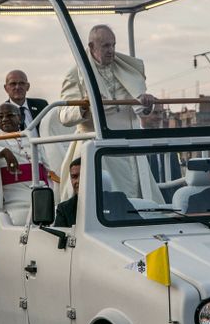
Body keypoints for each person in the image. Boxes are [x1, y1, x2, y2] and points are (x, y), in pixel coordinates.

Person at [58, 24, 161, 202]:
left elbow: (139, 110)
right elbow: (64, 115)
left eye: (113, 45)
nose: (111, 50)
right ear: (91, 47)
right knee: (105, 197)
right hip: (98, 144)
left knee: (140, 197)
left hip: (129, 145)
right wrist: (83, 106)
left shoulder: (125, 70)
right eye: (106, 46)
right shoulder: (75, 74)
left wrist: (146, 104)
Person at [0, 70, 48, 136]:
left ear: (28, 86)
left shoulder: (42, 106)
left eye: (21, 83)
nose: (17, 87)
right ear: (6, 88)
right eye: (13, 84)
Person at [141, 104, 182, 202]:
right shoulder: (133, 140)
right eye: (155, 113)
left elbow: (177, 175)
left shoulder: (168, 140)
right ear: (143, 114)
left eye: (161, 113)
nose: (159, 117)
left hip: (168, 200)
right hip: (143, 198)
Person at [54, 158, 80, 227]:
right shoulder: (64, 209)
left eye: (82, 176)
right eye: (74, 177)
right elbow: (60, 236)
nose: (78, 181)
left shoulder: (110, 201)